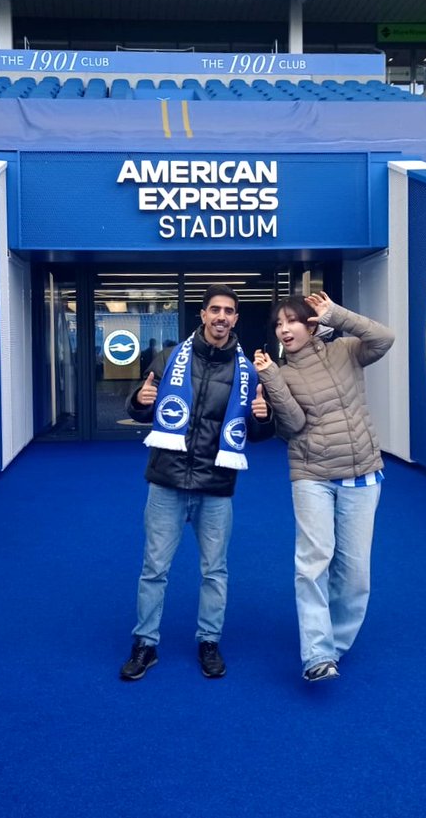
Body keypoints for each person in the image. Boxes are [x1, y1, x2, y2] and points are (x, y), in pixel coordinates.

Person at [120, 284, 273, 681]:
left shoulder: (248, 371)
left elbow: (256, 433)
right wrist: (139, 400)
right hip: (166, 482)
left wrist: (261, 416)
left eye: (229, 311)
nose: (221, 317)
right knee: (154, 568)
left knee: (215, 572)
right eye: (215, 310)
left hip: (216, 486)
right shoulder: (171, 357)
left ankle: (209, 641)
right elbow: (140, 408)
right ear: (202, 315)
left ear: (236, 318)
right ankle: (145, 645)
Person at [252, 291, 395, 682]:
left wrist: (337, 314)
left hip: (362, 474)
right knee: (313, 564)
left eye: (291, 321)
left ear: (310, 323)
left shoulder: (346, 350)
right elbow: (294, 425)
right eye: (278, 324)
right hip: (312, 474)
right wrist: (270, 379)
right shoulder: (282, 373)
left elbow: (384, 338)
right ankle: (317, 654)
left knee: (354, 574)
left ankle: (335, 644)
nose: (283, 330)